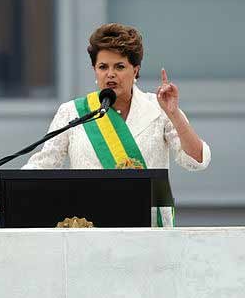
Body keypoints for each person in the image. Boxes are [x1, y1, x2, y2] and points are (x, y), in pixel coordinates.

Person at [23, 23, 210, 227]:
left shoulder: (159, 109)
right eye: (103, 67)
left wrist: (174, 114)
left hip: (149, 233)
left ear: (135, 70)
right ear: (94, 70)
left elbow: (196, 160)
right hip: (91, 230)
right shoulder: (73, 112)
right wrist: (3, 192)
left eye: (119, 67)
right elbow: (42, 164)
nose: (110, 74)